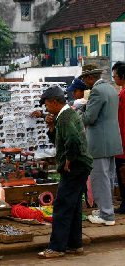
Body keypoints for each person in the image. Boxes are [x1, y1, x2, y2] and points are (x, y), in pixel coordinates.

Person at [37, 86, 93, 258]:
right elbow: (61, 140)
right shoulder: (62, 116)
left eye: (46, 104)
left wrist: (69, 158)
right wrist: (51, 127)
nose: (46, 108)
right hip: (81, 165)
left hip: (75, 166)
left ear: (54, 101)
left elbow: (74, 140)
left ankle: (57, 247)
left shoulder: (66, 116)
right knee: (74, 206)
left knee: (62, 206)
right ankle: (74, 244)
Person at [80, 64, 122, 225]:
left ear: (91, 77)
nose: (85, 82)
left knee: (100, 178)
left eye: (85, 79)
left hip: (99, 141)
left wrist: (77, 111)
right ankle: (107, 209)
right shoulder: (111, 88)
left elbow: (89, 118)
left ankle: (106, 214)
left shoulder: (96, 91)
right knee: (108, 177)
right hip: (111, 139)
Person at [112, 61, 125, 214]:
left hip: (122, 141)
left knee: (122, 173)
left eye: (115, 76)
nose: (114, 78)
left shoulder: (122, 95)